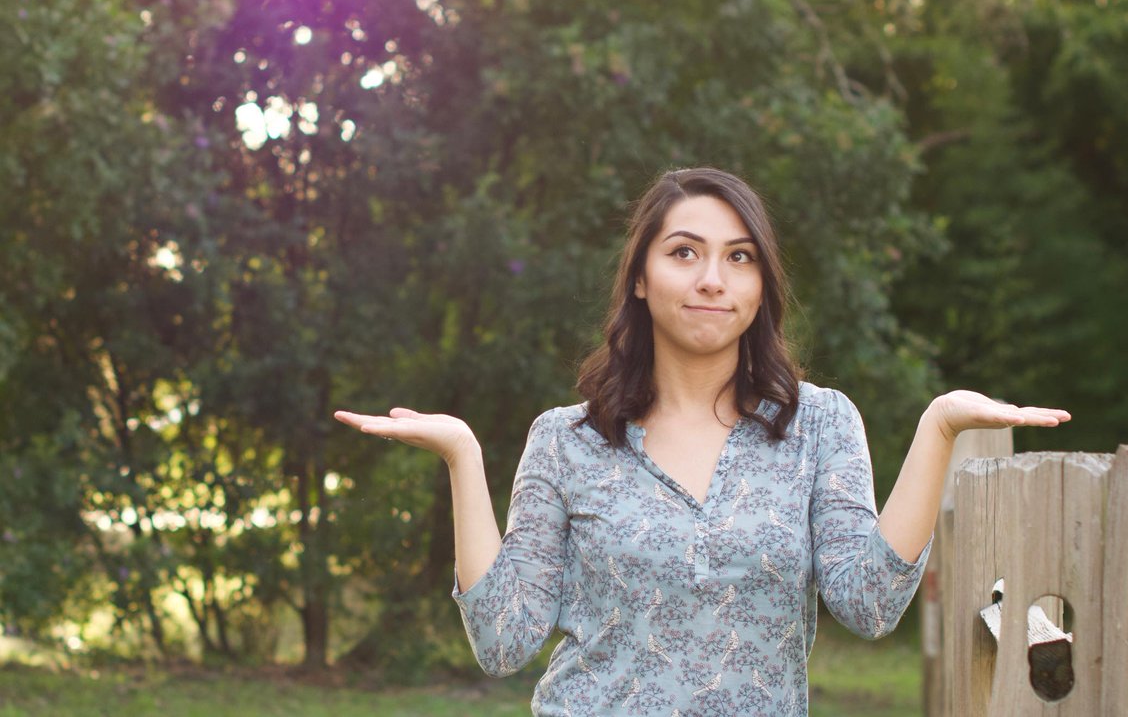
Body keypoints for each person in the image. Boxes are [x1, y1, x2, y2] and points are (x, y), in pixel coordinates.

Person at [335, 167, 1069, 716]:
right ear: (643, 280)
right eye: (685, 253)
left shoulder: (819, 425)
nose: (713, 279)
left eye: (739, 257)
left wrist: (939, 425)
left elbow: (870, 605)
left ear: (760, 288)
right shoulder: (566, 441)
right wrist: (463, 455)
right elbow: (502, 644)